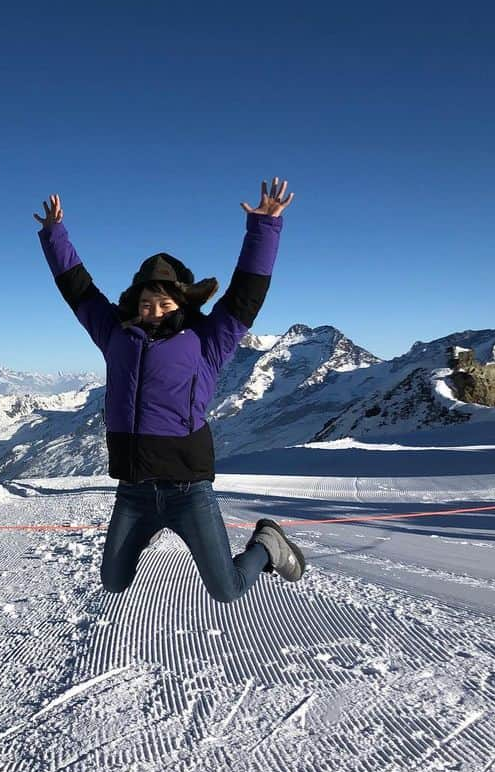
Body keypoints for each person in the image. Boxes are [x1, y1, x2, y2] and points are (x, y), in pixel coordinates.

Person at [34, 178, 306, 602]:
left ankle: (267, 545)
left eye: (164, 304)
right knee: (113, 581)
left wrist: (265, 227)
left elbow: (245, 295)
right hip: (134, 490)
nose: (153, 311)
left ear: (183, 304)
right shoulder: (116, 336)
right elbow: (80, 292)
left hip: (187, 490)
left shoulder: (207, 341)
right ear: (135, 305)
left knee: (226, 589)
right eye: (146, 303)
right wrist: (55, 235)